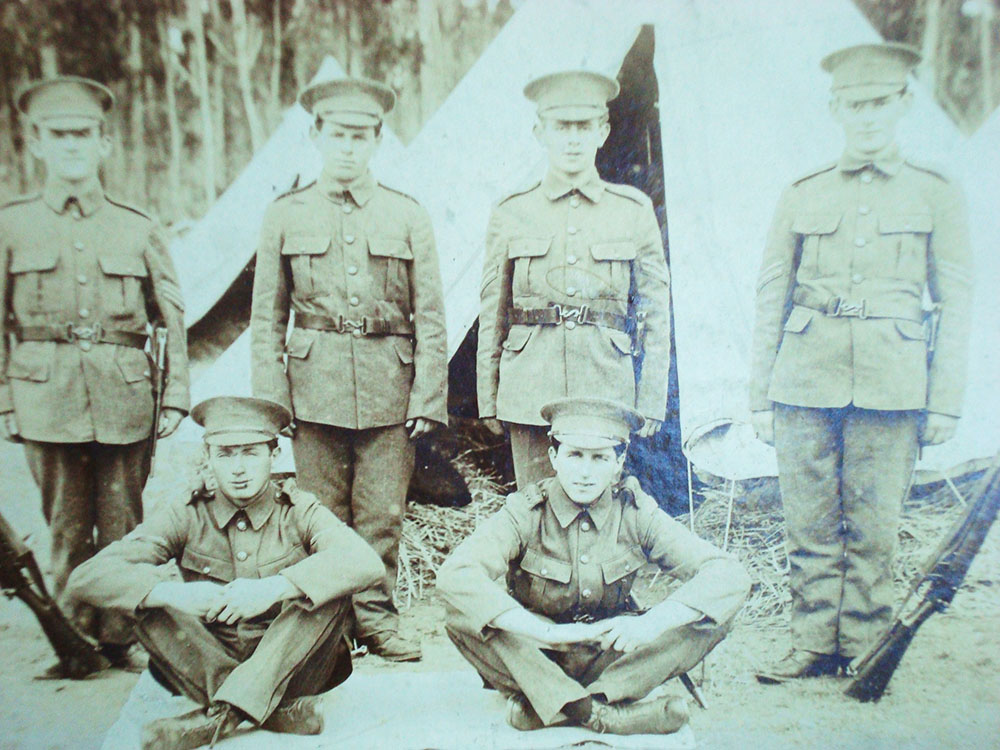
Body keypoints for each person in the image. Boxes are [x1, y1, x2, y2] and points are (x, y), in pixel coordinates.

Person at [749, 43, 973, 682]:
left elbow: (958, 299)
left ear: (903, 103)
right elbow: (772, 292)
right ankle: (813, 641)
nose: (868, 116)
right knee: (810, 518)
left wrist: (946, 400)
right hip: (804, 374)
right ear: (835, 109)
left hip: (893, 380)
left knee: (874, 522)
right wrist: (759, 395)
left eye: (880, 103)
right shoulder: (802, 191)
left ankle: (865, 647)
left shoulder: (937, 192)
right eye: (855, 105)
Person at [250, 77, 448, 662]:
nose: (348, 148)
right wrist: (272, 402)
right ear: (316, 135)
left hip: (391, 385)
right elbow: (267, 318)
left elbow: (432, 315)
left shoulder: (407, 214)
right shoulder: (284, 215)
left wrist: (426, 398)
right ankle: (327, 628)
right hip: (313, 390)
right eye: (338, 135)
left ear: (377, 140)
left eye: (360, 136)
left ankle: (377, 622)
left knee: (382, 516)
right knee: (319, 517)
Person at [66, 396, 385, 750]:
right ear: (208, 458)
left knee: (328, 593)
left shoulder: (299, 510)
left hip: (294, 666)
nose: (238, 468)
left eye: (250, 453)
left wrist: (275, 588)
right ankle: (271, 712)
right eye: (225, 454)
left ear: (273, 456)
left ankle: (219, 719)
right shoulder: (186, 513)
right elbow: (86, 577)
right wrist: (174, 593)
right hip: (206, 662)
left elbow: (366, 561)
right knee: (145, 599)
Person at [0, 76, 189, 665]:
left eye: (84, 135)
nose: (72, 147)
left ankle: (122, 635)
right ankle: (73, 637)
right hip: (44, 396)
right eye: (59, 136)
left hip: (123, 394)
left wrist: (176, 394)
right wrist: (5, 401)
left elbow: (172, 316)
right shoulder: (13, 225)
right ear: (36, 145)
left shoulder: (137, 225)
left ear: (105, 144)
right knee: (62, 525)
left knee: (124, 524)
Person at [437, 397, 749, 735]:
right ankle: (600, 716)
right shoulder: (525, 512)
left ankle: (565, 707)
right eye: (574, 455)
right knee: (461, 613)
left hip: (616, 656)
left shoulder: (637, 513)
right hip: (538, 655)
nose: (585, 472)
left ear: (619, 462)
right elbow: (457, 574)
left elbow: (728, 574)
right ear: (554, 457)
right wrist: (548, 633)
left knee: (715, 614)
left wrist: (652, 624)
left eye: (599, 458)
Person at [477, 70, 672, 488]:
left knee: (601, 519)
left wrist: (651, 396)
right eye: (560, 126)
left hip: (605, 386)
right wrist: (488, 396)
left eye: (583, 126)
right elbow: (493, 308)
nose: (572, 139)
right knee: (534, 515)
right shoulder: (511, 212)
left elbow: (656, 310)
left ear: (603, 131)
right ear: (539, 132)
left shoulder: (632, 211)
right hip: (530, 386)